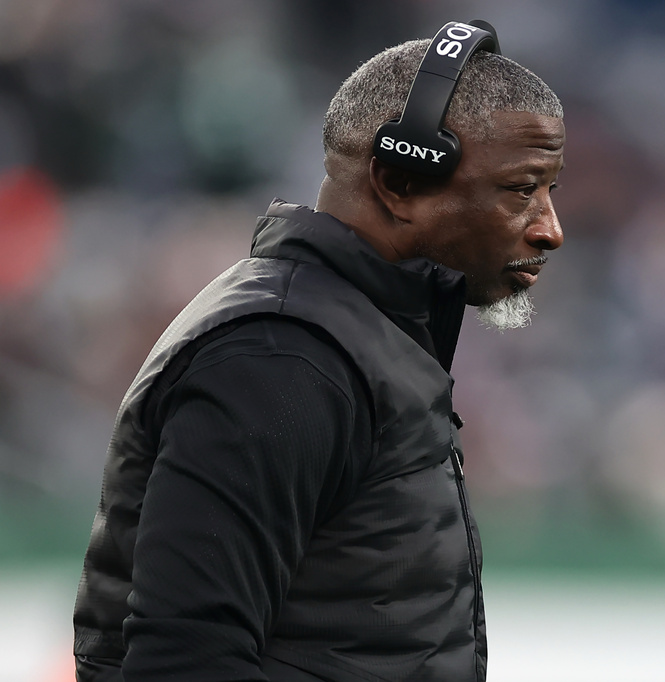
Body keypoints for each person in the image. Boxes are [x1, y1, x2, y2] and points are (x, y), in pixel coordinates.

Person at [72, 21, 564, 682]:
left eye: (549, 190)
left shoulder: (349, 338)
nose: (550, 229)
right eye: (521, 189)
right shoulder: (281, 358)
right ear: (398, 181)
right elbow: (183, 661)